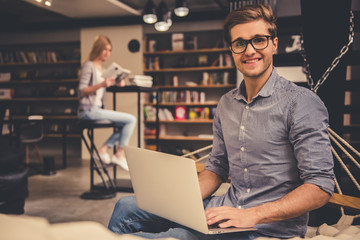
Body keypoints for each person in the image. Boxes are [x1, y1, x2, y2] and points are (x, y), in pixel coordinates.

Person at [107, 4, 334, 240]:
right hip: (224, 210)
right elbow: (216, 168)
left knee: (174, 236)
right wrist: (182, 199)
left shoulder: (301, 103)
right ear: (232, 49)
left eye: (259, 40)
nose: (249, 50)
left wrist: (252, 215)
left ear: (274, 43)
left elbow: (320, 186)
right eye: (240, 43)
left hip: (265, 226)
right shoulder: (226, 103)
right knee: (125, 206)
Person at [78, 34, 136, 171]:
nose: (107, 53)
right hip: (88, 111)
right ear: (98, 49)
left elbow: (105, 85)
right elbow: (82, 90)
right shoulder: (89, 65)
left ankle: (103, 150)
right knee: (131, 120)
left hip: (97, 109)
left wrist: (117, 82)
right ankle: (118, 154)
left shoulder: (103, 69)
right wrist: (102, 84)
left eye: (110, 50)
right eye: (105, 49)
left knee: (124, 124)